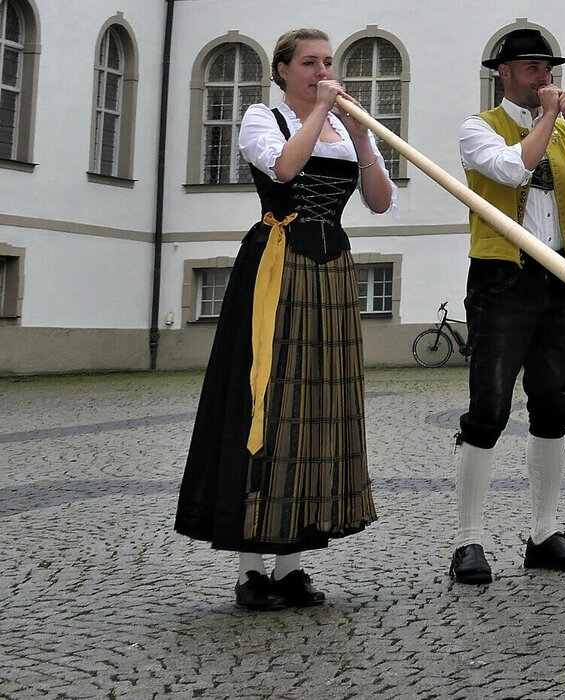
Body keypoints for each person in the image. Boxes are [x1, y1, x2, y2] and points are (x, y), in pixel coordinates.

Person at [175, 27, 395, 611]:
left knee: (317, 408)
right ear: (282, 70)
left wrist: (366, 140)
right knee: (266, 401)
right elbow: (282, 172)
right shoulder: (260, 119)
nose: (321, 70)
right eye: (309, 63)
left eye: (327, 61)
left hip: (330, 270)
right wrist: (320, 110)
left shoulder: (344, 132)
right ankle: (252, 570)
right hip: (278, 264)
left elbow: (378, 200)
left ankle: (292, 564)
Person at [447, 28, 565, 584]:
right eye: (531, 68)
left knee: (552, 403)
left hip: (557, 273)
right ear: (505, 73)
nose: (544, 76)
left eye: (548, 68)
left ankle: (544, 532)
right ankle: (468, 540)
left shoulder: (564, 129)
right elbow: (512, 170)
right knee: (489, 407)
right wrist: (549, 119)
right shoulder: (479, 128)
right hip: (501, 274)